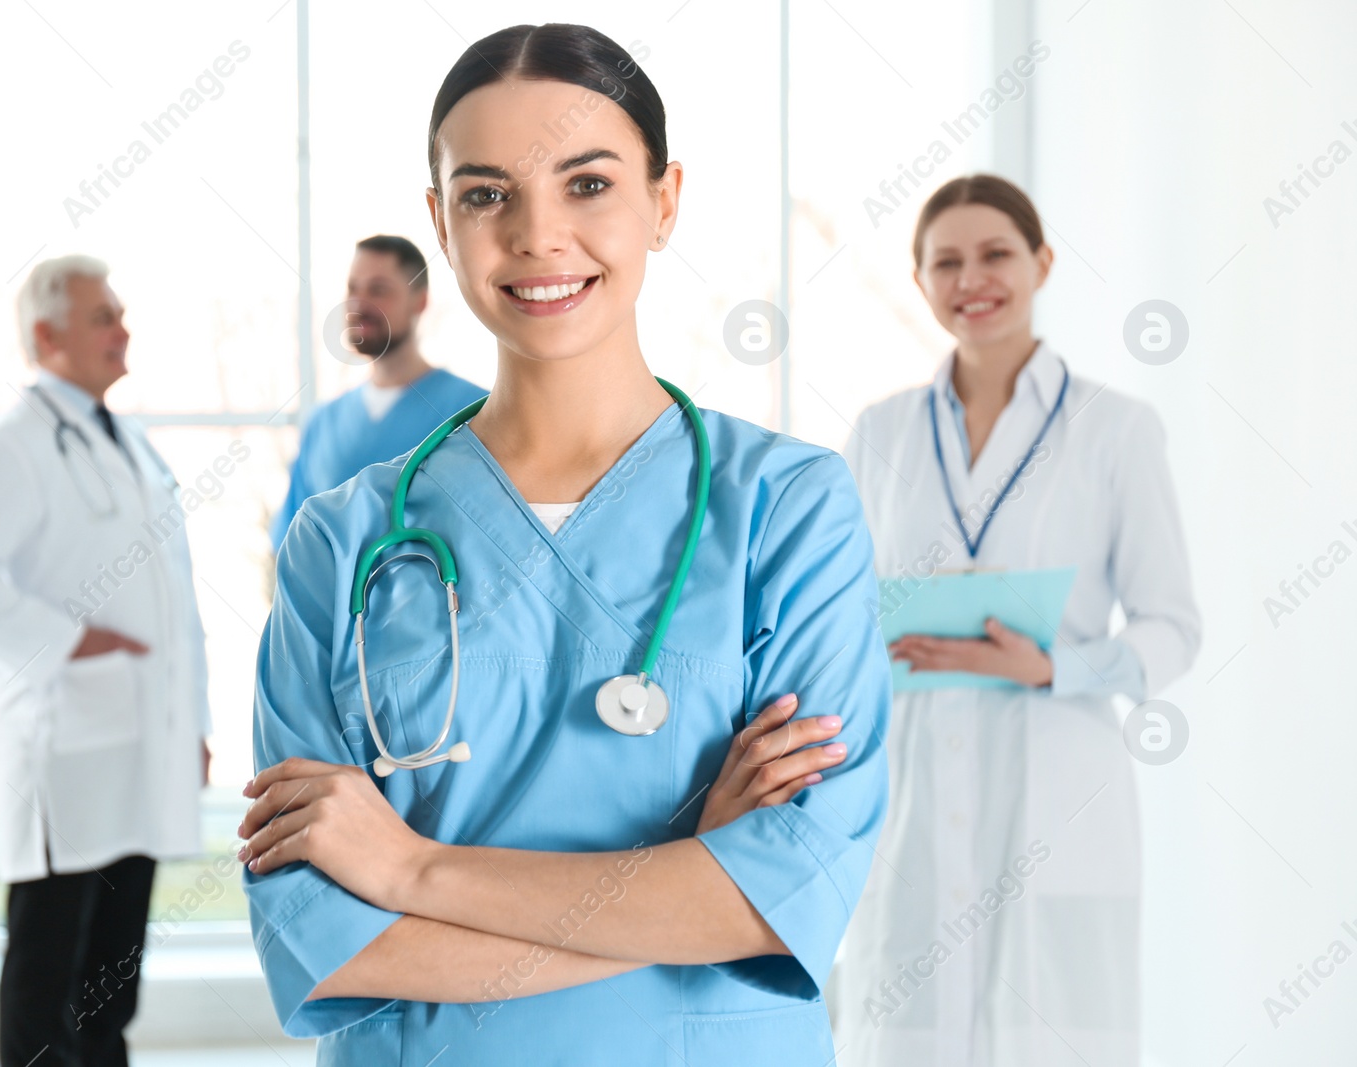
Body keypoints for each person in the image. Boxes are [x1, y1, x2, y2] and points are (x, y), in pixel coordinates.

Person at [235, 23, 891, 1065]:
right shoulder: (341, 540)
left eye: (587, 185)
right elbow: (326, 946)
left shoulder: (788, 509)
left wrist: (409, 872)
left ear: (663, 201)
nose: (538, 236)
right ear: (440, 225)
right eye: (487, 194)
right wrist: (684, 877)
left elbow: (783, 897)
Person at [828, 175, 1202, 1065]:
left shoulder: (1114, 429)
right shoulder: (879, 435)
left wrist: (1050, 668)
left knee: (1051, 1027)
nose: (973, 279)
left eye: (995, 253)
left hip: (1059, 773)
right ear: (920, 281)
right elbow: (840, 608)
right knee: (906, 1019)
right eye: (946, 261)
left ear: (1041, 262)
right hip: (912, 769)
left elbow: (1173, 626)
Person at [0, 255, 212, 1067]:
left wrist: (195, 723)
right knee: (49, 964)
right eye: (103, 317)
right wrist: (71, 639)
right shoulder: (12, 443)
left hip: (141, 734)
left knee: (114, 976)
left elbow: (173, 599)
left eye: (119, 311)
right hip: (68, 742)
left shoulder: (130, 440)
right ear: (46, 337)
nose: (124, 329)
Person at [268, 235, 486, 548]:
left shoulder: (474, 412)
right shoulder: (322, 424)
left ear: (420, 301)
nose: (359, 303)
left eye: (378, 290)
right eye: (353, 288)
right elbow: (293, 547)